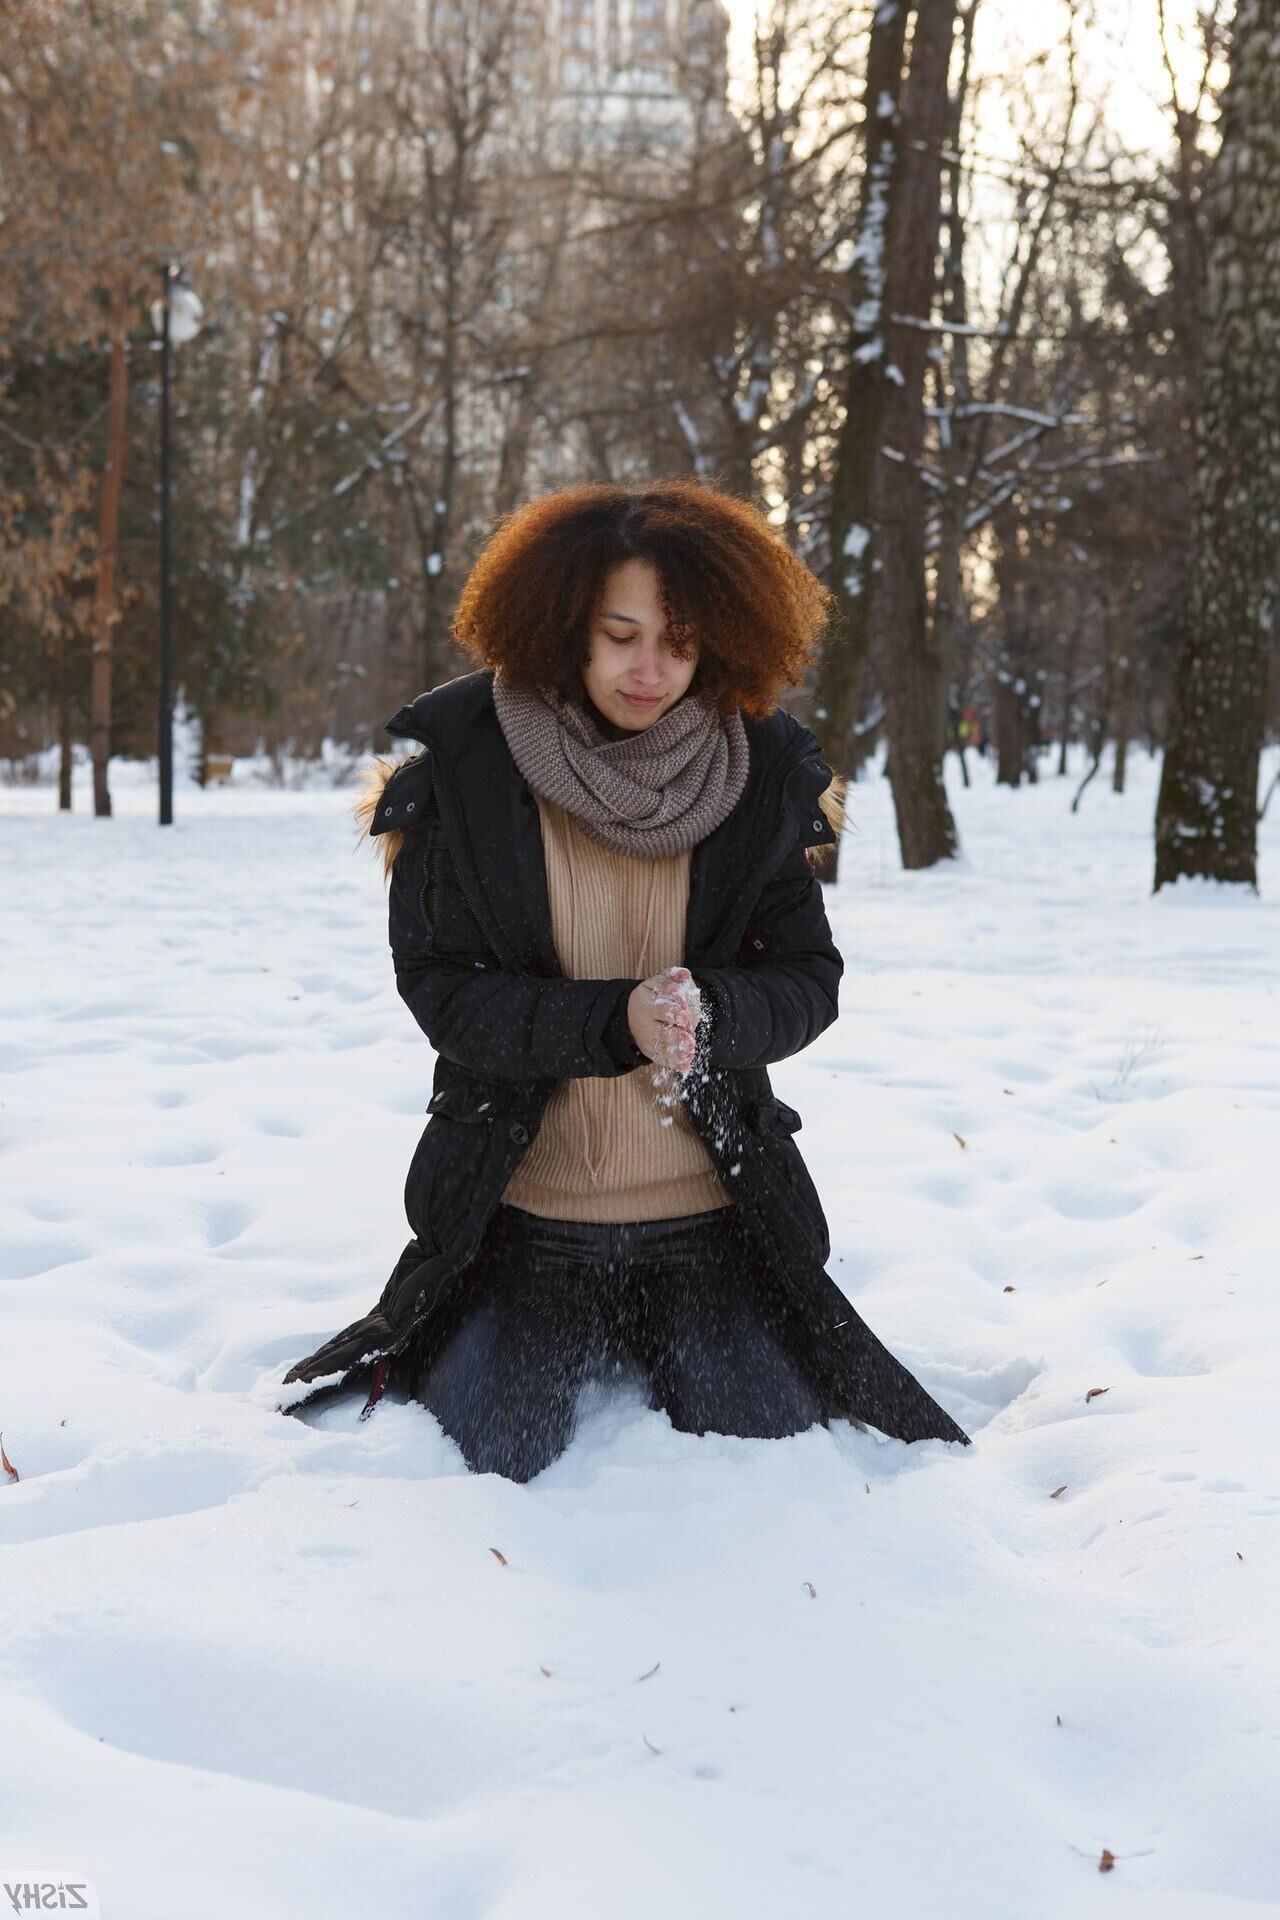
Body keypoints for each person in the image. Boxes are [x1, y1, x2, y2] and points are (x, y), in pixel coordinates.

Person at [278, 479, 969, 1478]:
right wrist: (613, 1020)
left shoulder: (762, 776)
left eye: (679, 641)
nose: (650, 669)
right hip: (522, 1227)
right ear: (565, 627)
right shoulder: (462, 775)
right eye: (620, 635)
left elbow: (807, 978)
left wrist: (717, 1011)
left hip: (711, 1224)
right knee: (491, 1463)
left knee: (767, 1462)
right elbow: (444, 991)